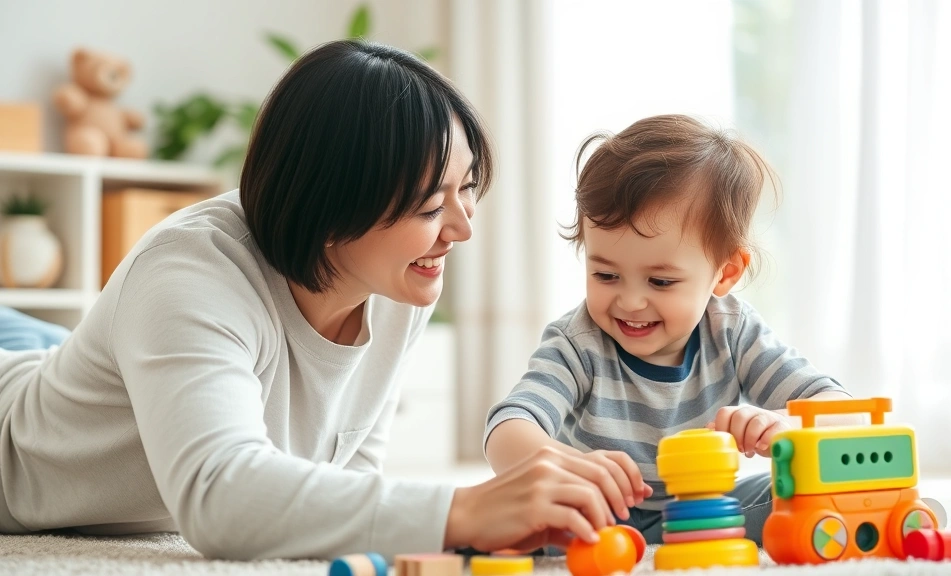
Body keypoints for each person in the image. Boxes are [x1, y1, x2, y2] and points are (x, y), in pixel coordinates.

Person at [0, 41, 625, 561]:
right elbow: (218, 498)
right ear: (333, 203)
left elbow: (349, 479)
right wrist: (460, 509)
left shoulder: (397, 279)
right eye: (432, 206)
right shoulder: (188, 270)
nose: (461, 228)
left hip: (66, 362)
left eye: (466, 190)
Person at [483, 114, 851, 547]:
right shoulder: (577, 343)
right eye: (605, 275)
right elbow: (508, 428)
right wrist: (567, 467)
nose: (630, 302)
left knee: (814, 496)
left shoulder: (731, 330)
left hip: (705, 508)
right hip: (597, 515)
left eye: (660, 282)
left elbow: (840, 410)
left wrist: (783, 423)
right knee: (518, 525)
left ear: (724, 274)